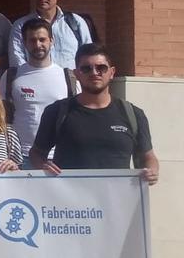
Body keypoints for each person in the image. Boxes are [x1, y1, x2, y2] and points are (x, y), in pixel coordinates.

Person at [30, 44, 160, 186]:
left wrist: (152, 171)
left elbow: (148, 156)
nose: (94, 73)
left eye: (101, 68)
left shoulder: (133, 114)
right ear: (77, 73)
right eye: (86, 68)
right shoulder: (57, 111)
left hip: (118, 202)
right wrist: (43, 167)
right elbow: (36, 153)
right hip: (69, 203)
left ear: (111, 72)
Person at [0, 20, 77, 164]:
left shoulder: (68, 77)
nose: (38, 45)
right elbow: (1, 116)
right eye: (32, 40)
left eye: (42, 39)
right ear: (25, 43)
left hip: (57, 156)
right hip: (18, 156)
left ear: (51, 41)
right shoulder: (11, 76)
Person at [9, 0, 93, 70]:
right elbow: (16, 58)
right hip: (36, 81)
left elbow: (89, 55)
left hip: (70, 82)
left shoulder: (76, 22)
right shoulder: (21, 25)